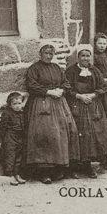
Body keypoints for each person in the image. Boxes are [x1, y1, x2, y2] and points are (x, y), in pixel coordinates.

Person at [24, 44, 79, 184]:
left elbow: (66, 82)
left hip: (59, 104)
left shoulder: (56, 68)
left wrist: (61, 90)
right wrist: (48, 92)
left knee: (63, 132)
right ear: (40, 54)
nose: (48, 56)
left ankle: (59, 169)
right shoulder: (34, 68)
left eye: (51, 53)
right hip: (41, 104)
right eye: (46, 53)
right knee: (46, 134)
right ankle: (44, 172)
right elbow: (31, 85)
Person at [66, 46, 107, 178]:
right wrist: (79, 96)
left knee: (94, 135)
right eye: (83, 56)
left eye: (88, 56)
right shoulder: (71, 71)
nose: (86, 58)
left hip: (93, 105)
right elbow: (67, 88)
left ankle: (89, 167)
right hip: (77, 105)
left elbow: (102, 87)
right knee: (79, 135)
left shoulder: (94, 70)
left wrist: (92, 95)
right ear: (78, 57)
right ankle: (75, 167)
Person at [0, 92, 27, 185]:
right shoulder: (7, 114)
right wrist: (0, 140)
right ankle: (9, 175)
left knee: (18, 157)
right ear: (10, 104)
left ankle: (16, 174)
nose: (17, 106)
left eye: (19, 103)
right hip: (10, 137)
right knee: (10, 156)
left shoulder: (22, 113)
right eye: (14, 104)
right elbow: (1, 128)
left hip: (20, 137)